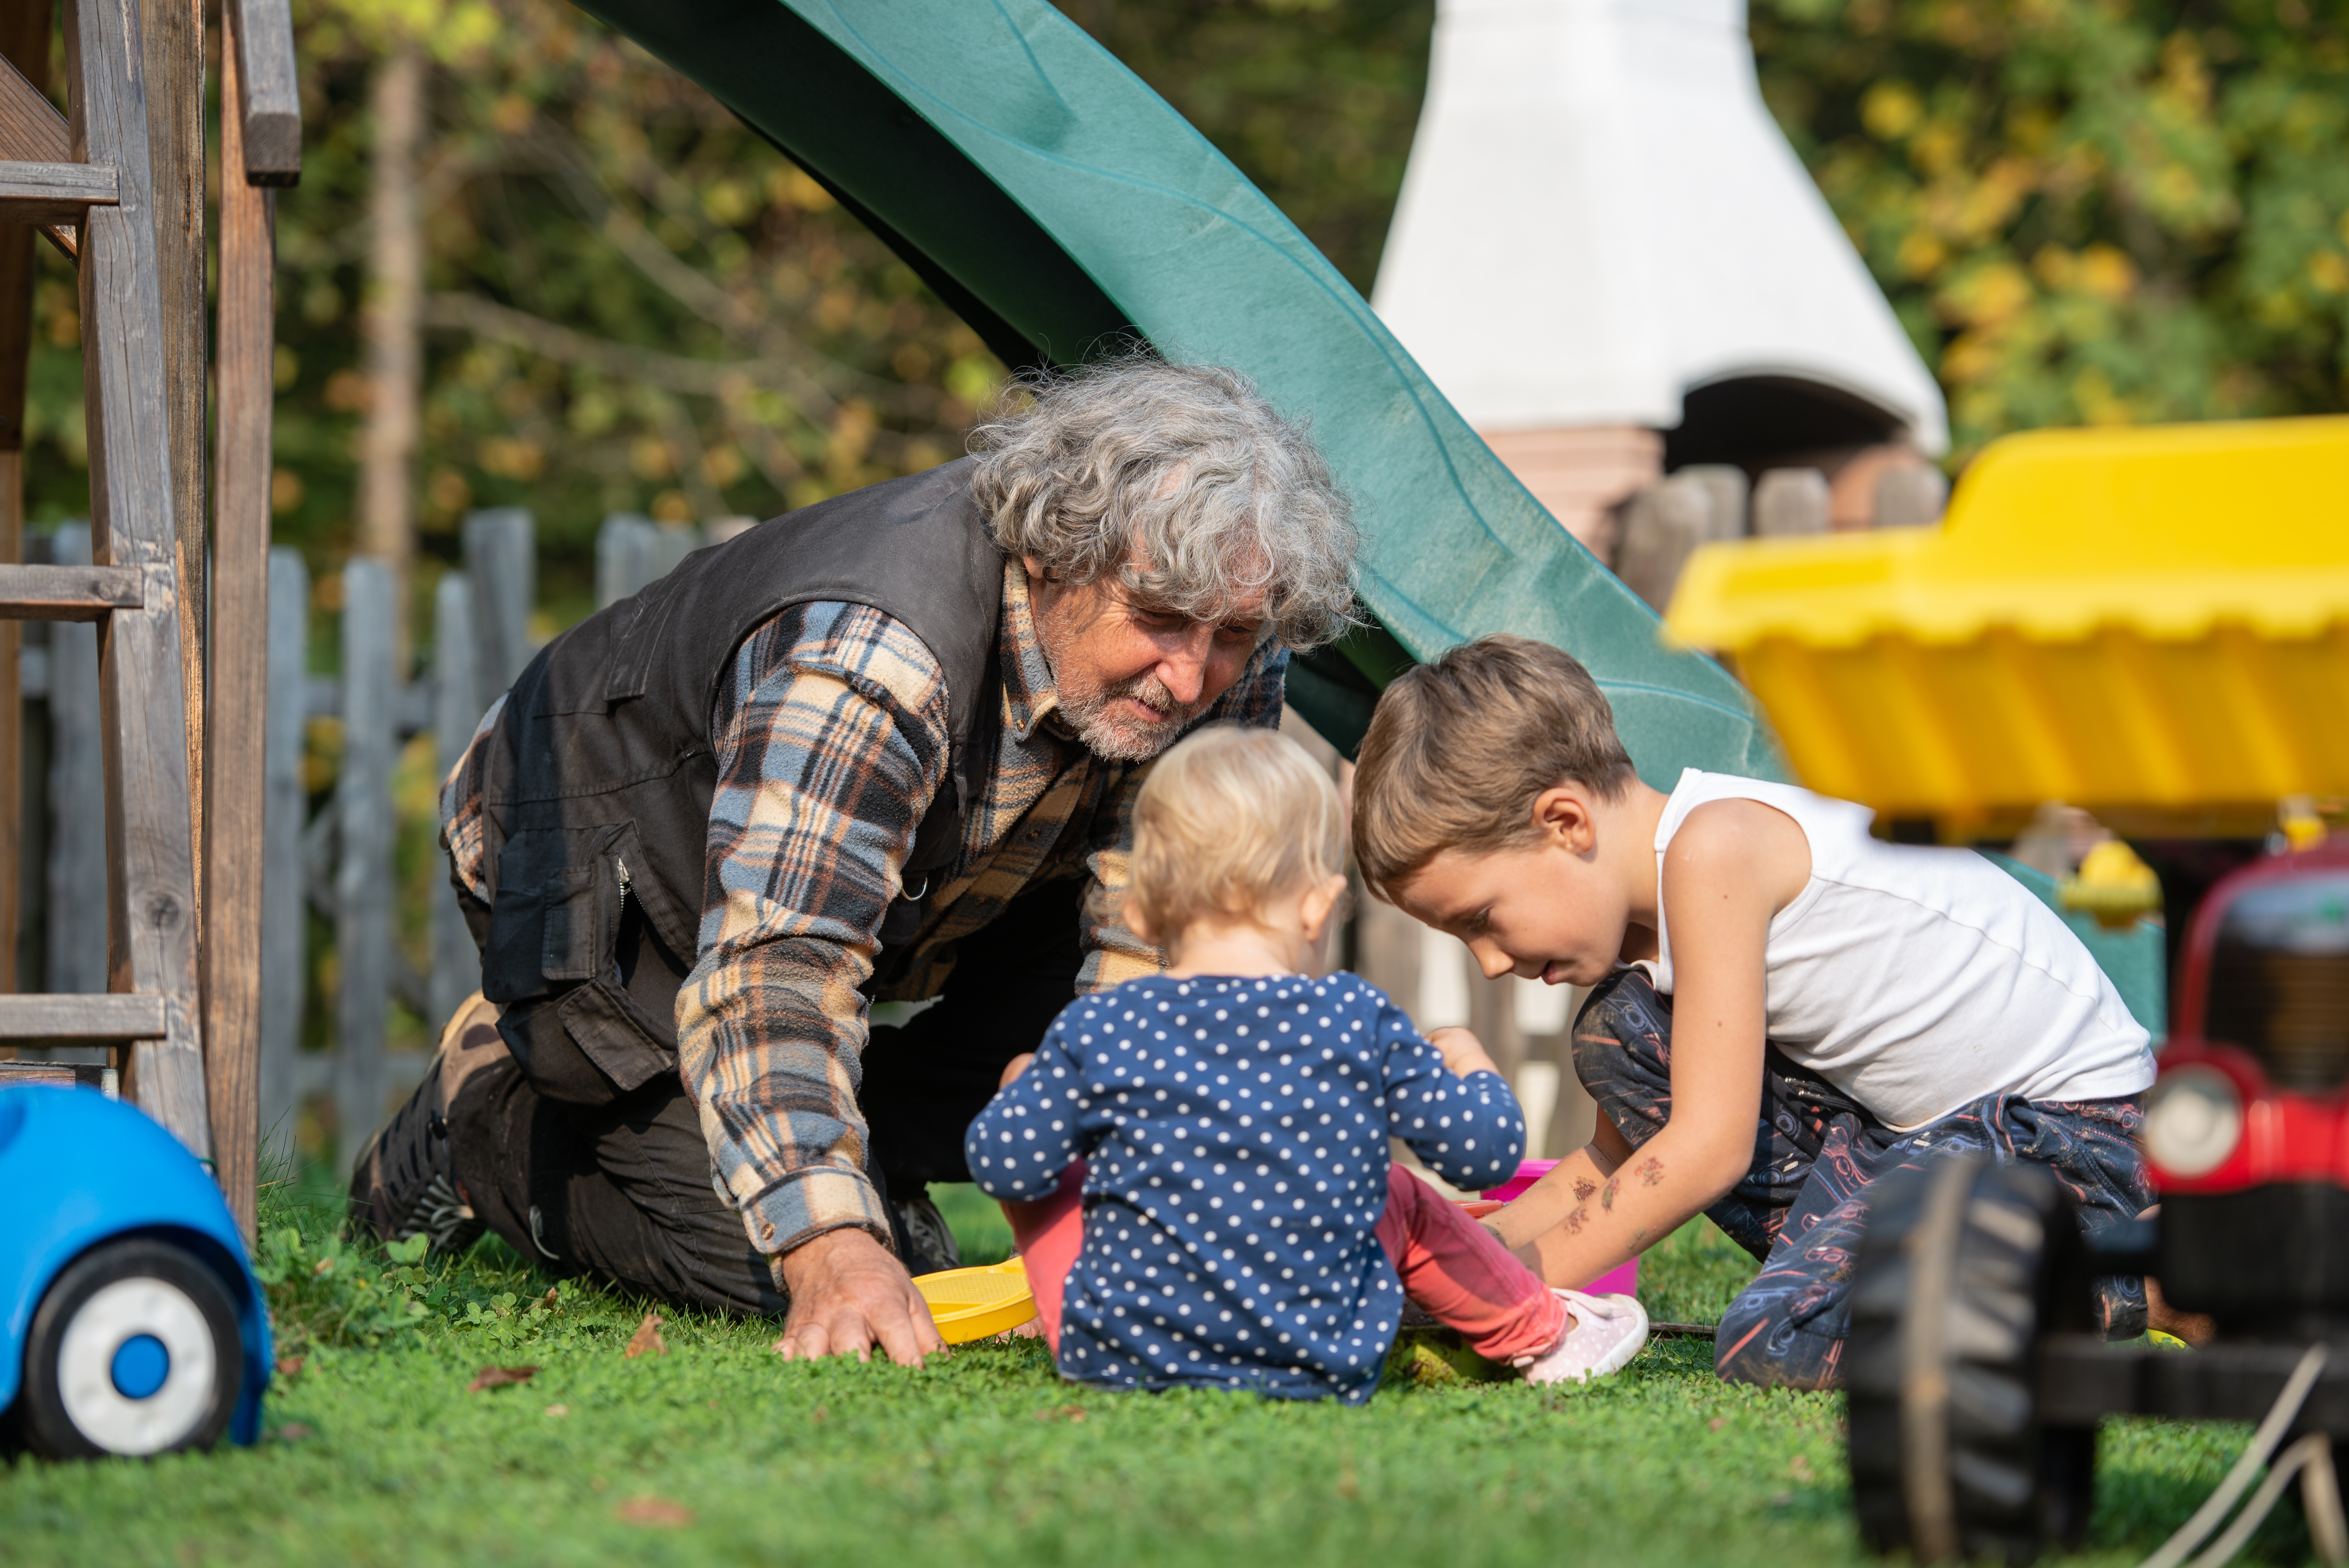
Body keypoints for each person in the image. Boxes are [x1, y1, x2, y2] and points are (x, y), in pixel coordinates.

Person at [348, 357, 1362, 1367]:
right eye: (1157, 621)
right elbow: (781, 968)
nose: (1192, 676)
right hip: (615, 876)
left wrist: (1157, 1167)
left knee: (1091, 1028)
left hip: (917, 880)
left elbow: (1160, 923)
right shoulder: (872, 658)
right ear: (1055, 555)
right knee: (774, 1261)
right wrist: (834, 1243)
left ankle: (862, 1154)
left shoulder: (1227, 632)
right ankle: (487, 1114)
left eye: (1230, 635)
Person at [1347, 634, 2183, 1390]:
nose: (1488, 963)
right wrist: (1451, 1246)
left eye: (1479, 919)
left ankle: (2146, 1277)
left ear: (1563, 822)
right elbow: (1609, 1166)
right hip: (1932, 1135)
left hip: (2069, 1143)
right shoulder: (1659, 937)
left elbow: (1703, 1153)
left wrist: (1497, 1294)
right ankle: (1866, 1270)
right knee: (1622, 1033)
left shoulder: (1716, 849)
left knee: (1778, 1337)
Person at [964, 725, 1649, 1401]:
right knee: (1399, 1195)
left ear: (1139, 910)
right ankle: (1542, 1334)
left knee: (1029, 1098)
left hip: (1118, 1355)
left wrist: (1046, 1106)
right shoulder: (1355, 1018)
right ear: (1319, 906)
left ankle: (1086, 1314)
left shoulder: (1101, 1028)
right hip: (1322, 1354)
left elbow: (1004, 1164)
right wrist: (1472, 1067)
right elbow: (1485, 1155)